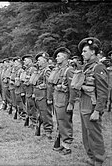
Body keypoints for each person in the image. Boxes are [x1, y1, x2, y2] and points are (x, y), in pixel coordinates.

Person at [71, 37, 108, 166]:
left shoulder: (98, 67)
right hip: (84, 103)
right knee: (86, 133)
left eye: (85, 51)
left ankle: (98, 160)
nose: (82, 53)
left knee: (94, 134)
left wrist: (98, 111)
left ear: (93, 52)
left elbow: (103, 92)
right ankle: (91, 157)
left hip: (92, 106)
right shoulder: (87, 67)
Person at [48, 47, 74, 155]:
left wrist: (71, 103)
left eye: (59, 56)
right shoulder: (57, 69)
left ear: (65, 57)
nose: (56, 58)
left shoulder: (69, 70)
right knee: (59, 122)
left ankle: (67, 146)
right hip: (57, 99)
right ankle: (62, 144)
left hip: (64, 100)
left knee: (65, 122)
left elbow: (73, 89)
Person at [32, 52, 53, 139]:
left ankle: (48, 132)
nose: (38, 62)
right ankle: (42, 129)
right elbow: (35, 83)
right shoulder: (39, 71)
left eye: (39, 60)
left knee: (46, 114)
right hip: (38, 96)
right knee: (40, 113)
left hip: (43, 96)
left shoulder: (47, 71)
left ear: (45, 61)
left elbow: (49, 85)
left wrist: (49, 98)